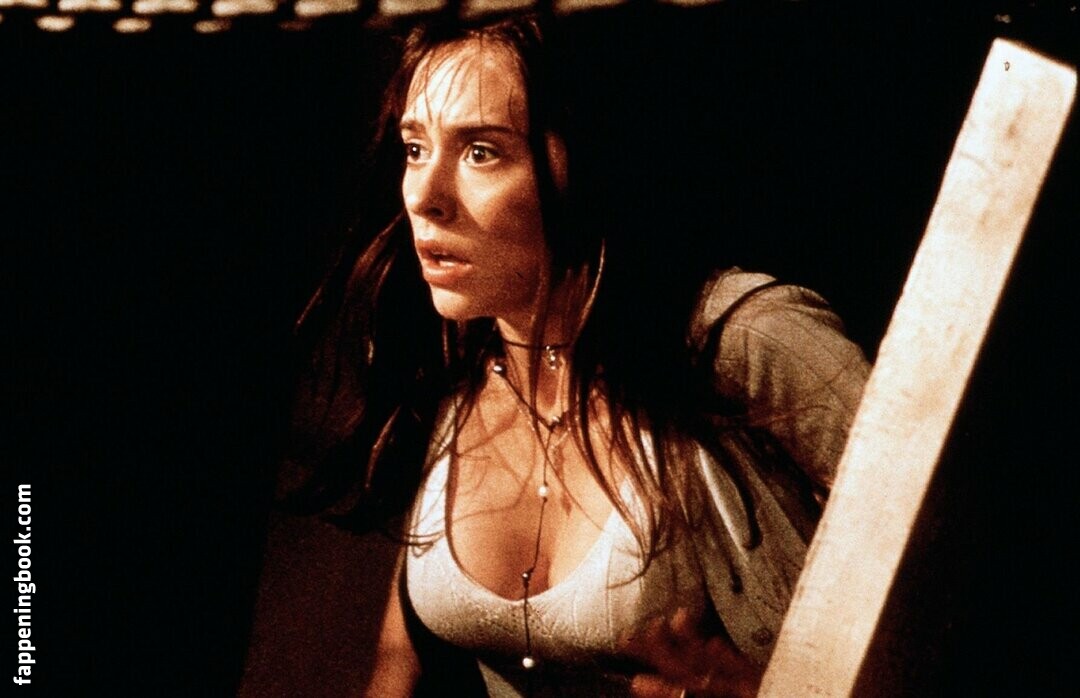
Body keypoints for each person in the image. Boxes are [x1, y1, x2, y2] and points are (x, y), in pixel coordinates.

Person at [283, 12, 870, 698]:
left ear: (590, 159)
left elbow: (957, 580)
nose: (423, 196)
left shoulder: (743, 337)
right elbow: (397, 667)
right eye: (415, 148)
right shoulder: (461, 358)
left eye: (481, 151)